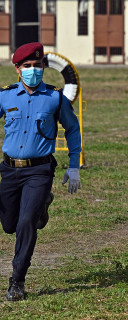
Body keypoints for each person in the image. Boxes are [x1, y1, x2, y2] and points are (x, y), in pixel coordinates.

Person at [0, 42, 82, 301]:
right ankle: (41, 207)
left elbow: (72, 128)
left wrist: (74, 165)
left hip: (39, 170)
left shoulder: (55, 98)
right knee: (10, 224)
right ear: (17, 69)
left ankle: (17, 281)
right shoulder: (5, 96)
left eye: (37, 66)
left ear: (44, 67)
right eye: (27, 66)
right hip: (9, 170)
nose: (33, 70)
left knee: (26, 223)